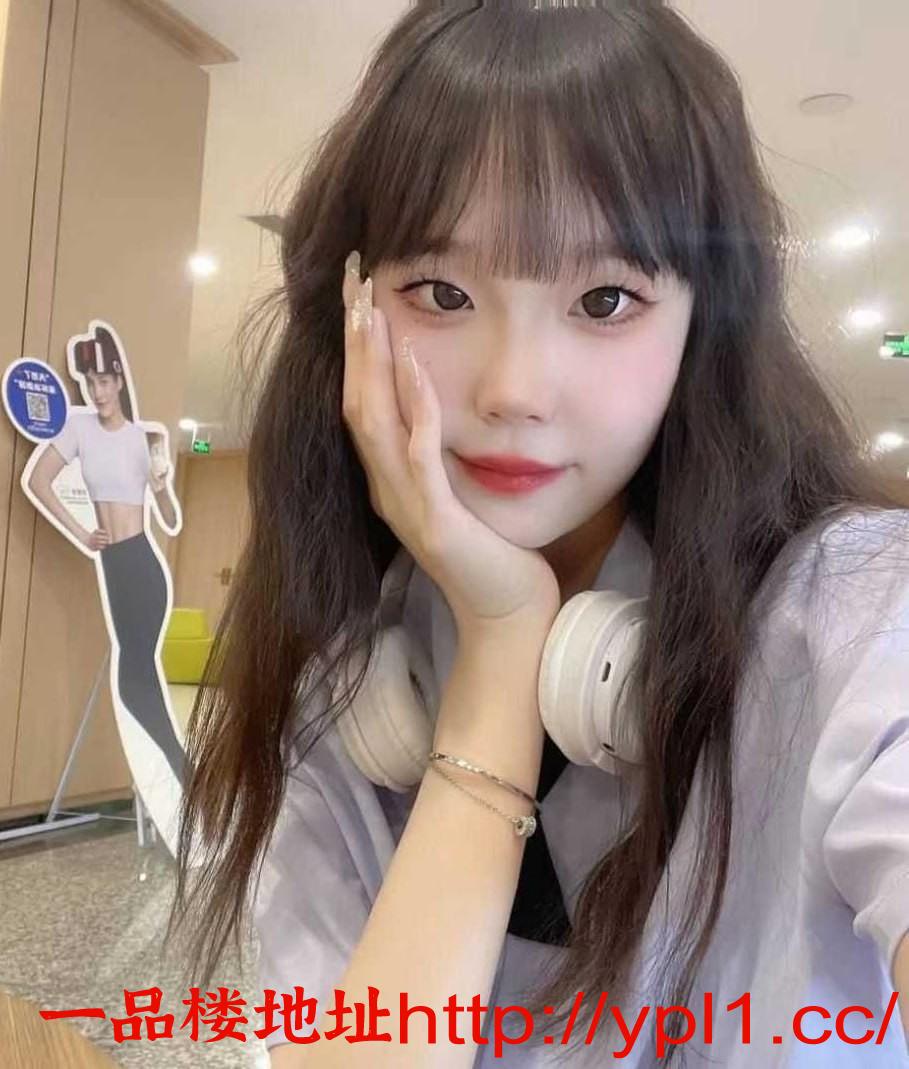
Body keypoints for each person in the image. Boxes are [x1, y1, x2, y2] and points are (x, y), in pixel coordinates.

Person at [165, 2, 909, 1066]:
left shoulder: (854, 616)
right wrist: (501, 645)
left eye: (605, 299)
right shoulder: (349, 673)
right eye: (441, 291)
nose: (514, 388)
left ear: (703, 323)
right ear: (351, 310)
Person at [26, 324, 187, 789]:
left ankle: (182, 774)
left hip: (141, 563)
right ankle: (180, 773)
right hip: (113, 564)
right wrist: (81, 532)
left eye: (103, 381)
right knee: (134, 676)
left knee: (135, 677)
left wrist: (161, 487)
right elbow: (38, 480)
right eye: (89, 382)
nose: (95, 392)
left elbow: (169, 517)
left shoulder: (145, 438)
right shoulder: (79, 428)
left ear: (118, 381)